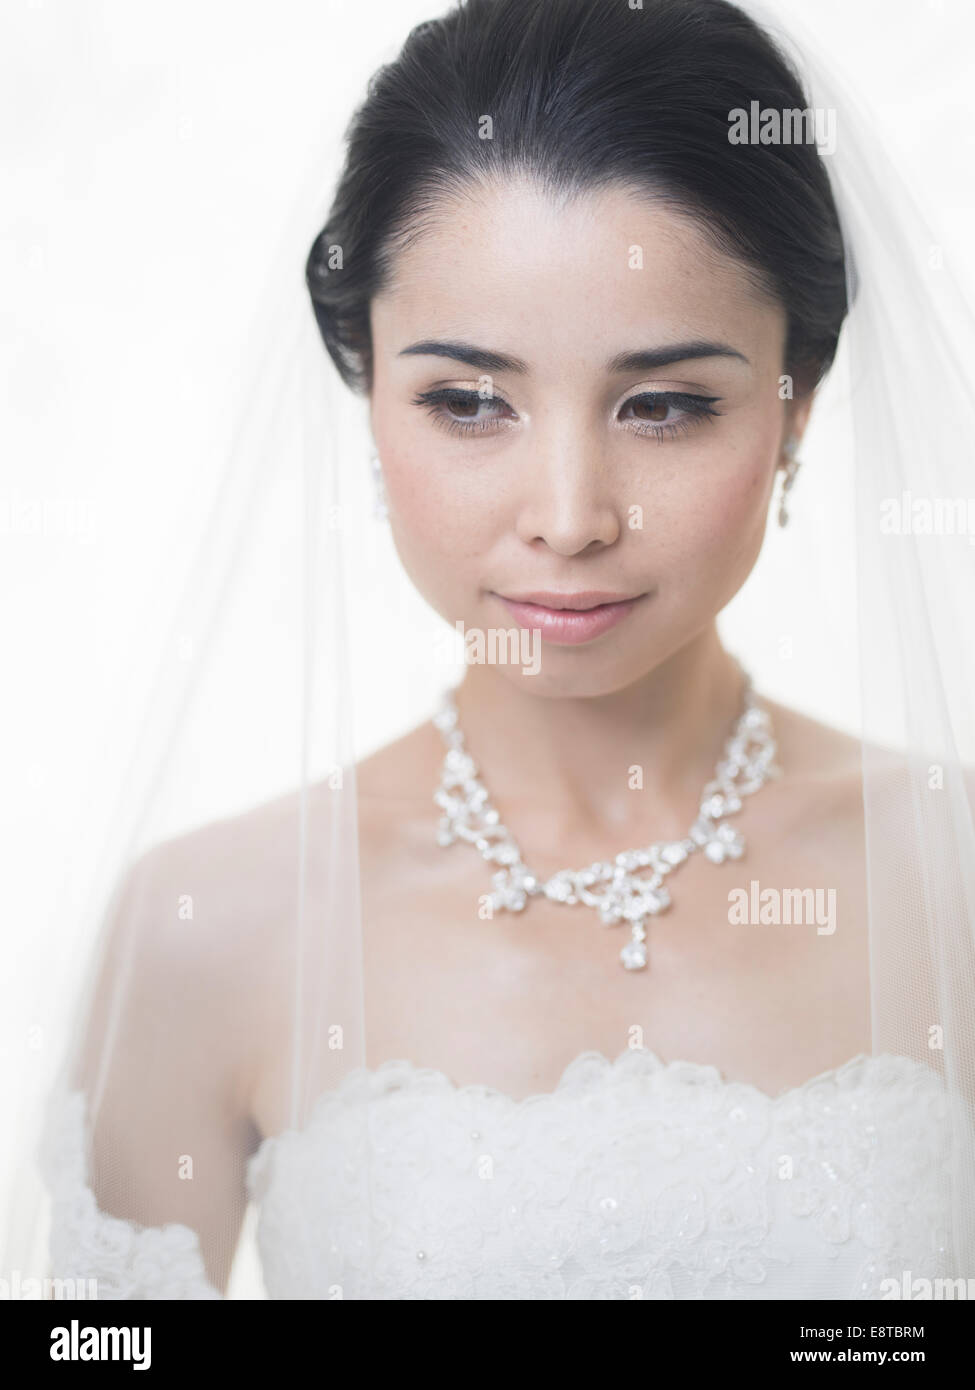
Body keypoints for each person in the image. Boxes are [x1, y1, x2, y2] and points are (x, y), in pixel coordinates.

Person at [13, 0, 975, 1301]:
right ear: (364, 390)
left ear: (795, 400)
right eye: (468, 401)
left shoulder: (952, 866)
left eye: (668, 405)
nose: (570, 518)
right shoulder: (210, 928)